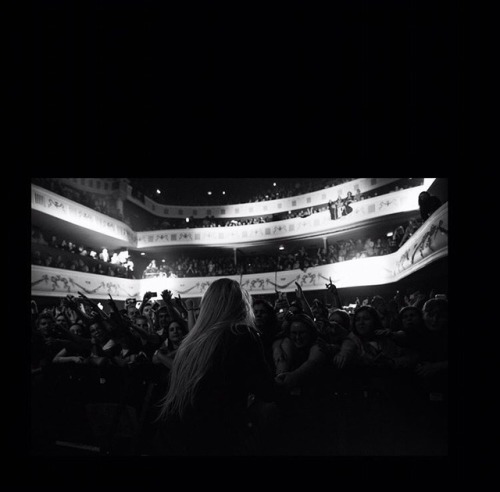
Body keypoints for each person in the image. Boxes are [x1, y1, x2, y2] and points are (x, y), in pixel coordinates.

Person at [154, 278, 285, 456]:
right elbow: (266, 390)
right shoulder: (241, 334)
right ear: (240, 305)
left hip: (184, 435)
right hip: (221, 435)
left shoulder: (193, 340)